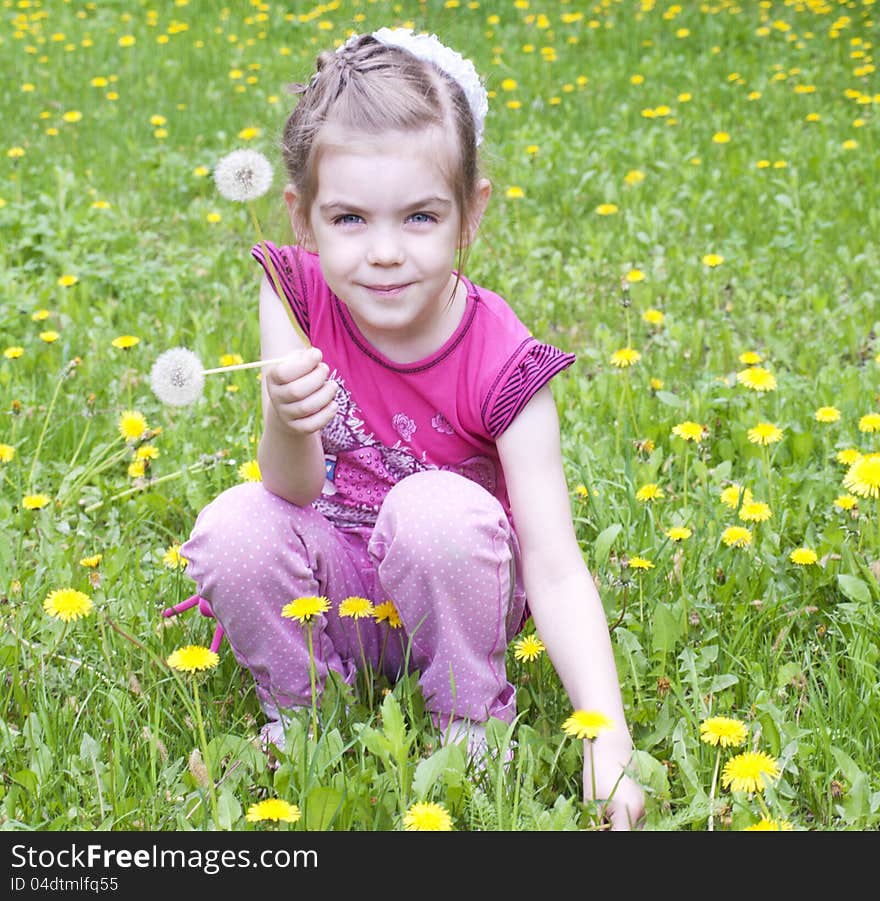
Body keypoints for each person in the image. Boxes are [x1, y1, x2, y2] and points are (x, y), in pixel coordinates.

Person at [180, 27, 645, 829]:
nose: (386, 253)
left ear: (471, 214)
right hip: (334, 595)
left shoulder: (502, 358)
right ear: (304, 217)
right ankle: (304, 711)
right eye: (351, 218)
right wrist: (288, 421)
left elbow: (555, 563)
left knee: (435, 507)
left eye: (422, 217)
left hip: (452, 591)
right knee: (234, 523)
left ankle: (468, 720)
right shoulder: (292, 294)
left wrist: (608, 737)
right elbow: (291, 489)